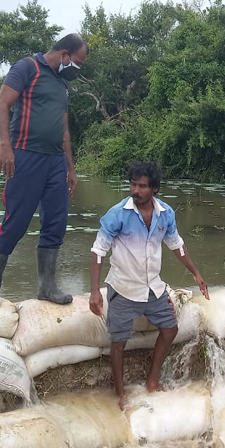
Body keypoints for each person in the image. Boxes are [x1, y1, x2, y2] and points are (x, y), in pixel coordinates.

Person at [0, 33, 88, 309]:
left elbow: (63, 129)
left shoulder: (63, 84)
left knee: (56, 222)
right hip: (25, 155)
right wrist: (6, 145)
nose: (77, 69)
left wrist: (70, 168)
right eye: (77, 62)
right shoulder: (27, 68)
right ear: (64, 54)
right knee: (16, 221)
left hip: (55, 162)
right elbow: (2, 105)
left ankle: (47, 286)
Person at [89, 161, 208, 410]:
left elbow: (177, 245)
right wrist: (94, 291)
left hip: (153, 288)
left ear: (154, 188)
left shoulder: (165, 214)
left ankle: (152, 381)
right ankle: (120, 393)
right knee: (118, 342)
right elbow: (99, 251)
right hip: (122, 288)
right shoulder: (118, 214)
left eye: (142, 186)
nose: (136, 190)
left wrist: (196, 272)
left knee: (170, 328)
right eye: (133, 184)